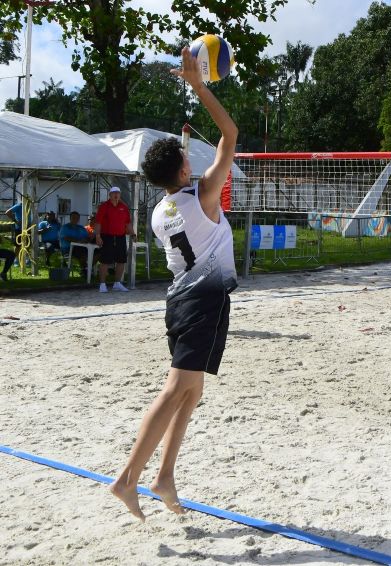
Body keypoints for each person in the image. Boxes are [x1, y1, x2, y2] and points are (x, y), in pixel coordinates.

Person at [110, 45, 238, 521]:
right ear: (184, 171)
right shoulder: (202, 195)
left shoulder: (159, 209)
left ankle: (164, 475)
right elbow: (229, 134)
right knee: (174, 390)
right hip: (203, 301)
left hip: (182, 300)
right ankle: (127, 479)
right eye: (186, 158)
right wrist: (199, 87)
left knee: (192, 392)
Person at [95, 187, 136, 292]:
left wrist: (132, 234)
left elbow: (127, 223)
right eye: (114, 193)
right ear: (110, 195)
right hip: (106, 236)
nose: (116, 195)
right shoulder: (104, 206)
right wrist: (98, 236)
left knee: (121, 260)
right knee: (105, 260)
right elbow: (98, 222)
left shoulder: (124, 207)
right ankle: (102, 284)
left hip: (120, 236)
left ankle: (117, 283)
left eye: (118, 193)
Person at [59, 211, 90, 275]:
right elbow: (66, 238)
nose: (75, 219)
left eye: (77, 218)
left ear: (78, 219)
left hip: (82, 247)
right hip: (68, 249)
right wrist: (79, 241)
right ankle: (85, 269)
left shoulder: (81, 228)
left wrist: (86, 240)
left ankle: (88, 268)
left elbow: (87, 238)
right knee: (81, 251)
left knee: (96, 252)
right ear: (70, 218)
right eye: (73, 217)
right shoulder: (65, 227)